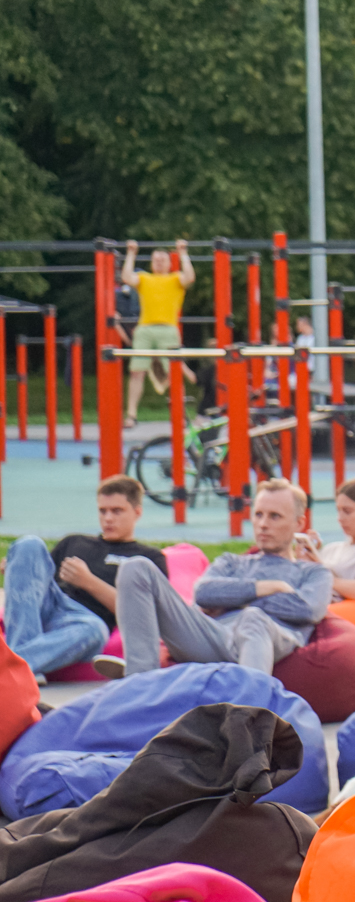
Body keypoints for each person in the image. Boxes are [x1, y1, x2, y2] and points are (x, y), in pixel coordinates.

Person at [100, 479, 332, 678]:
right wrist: (265, 587)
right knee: (135, 568)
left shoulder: (313, 572)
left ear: (299, 523)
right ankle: (140, 679)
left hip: (263, 640)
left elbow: (307, 609)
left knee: (253, 618)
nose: (263, 524)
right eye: (258, 515)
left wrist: (232, 599)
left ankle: (249, 708)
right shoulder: (232, 562)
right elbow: (203, 593)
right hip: (211, 636)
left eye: (275, 516)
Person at [2, 476, 168, 682]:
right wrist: (18, 568)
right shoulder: (74, 542)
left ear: (137, 512)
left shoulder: (147, 558)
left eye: (117, 511)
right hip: (51, 605)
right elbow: (35, 584)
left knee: (94, 631)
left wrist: (88, 581)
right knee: (28, 544)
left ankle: (14, 667)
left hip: (85, 621)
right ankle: (23, 668)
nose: (108, 518)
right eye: (103, 511)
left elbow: (143, 613)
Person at [120, 239, 196, 429]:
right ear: (151, 263)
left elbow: (190, 277)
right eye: (156, 259)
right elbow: (127, 277)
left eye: (163, 259)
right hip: (145, 328)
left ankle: (179, 413)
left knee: (174, 372)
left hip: (168, 328)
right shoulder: (145, 278)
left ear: (169, 263)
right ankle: (131, 415)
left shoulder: (175, 278)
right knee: (136, 371)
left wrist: (183, 253)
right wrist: (131, 254)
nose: (159, 262)